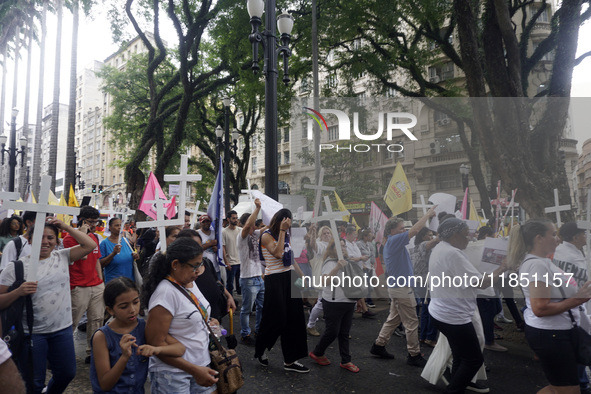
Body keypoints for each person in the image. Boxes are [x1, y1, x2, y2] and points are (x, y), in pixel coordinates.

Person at [0, 218, 96, 393]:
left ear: (57, 241)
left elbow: (89, 245)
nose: (45, 242)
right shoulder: (16, 267)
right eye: (39, 237)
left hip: (63, 330)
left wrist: (66, 226)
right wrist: (18, 292)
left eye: (50, 238)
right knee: (34, 382)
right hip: (32, 334)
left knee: (66, 373)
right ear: (29, 240)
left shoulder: (63, 256)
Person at [507, 219, 591, 394]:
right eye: (553, 234)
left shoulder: (541, 261)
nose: (558, 239)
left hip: (557, 332)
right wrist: (578, 299)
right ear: (539, 238)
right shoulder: (537, 265)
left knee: (561, 388)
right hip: (552, 335)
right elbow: (540, 308)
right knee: (567, 390)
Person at [429, 218, 506, 394]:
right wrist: (502, 267)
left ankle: (456, 385)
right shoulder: (453, 254)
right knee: (473, 359)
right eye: (466, 236)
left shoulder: (441, 248)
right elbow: (481, 283)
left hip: (441, 312)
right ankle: (455, 389)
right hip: (454, 317)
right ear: (455, 235)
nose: (469, 239)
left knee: (459, 355)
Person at [143, 237, 219, 392]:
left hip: (201, 365)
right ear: (176, 265)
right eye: (194, 266)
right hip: (173, 375)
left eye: (201, 264)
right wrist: (194, 370)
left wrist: (208, 321)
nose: (199, 270)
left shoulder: (189, 281)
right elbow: (155, 343)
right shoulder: (165, 294)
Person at [91, 277, 185, 393]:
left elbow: (180, 349)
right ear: (110, 310)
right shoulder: (102, 337)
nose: (132, 310)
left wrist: (156, 349)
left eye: (136, 302)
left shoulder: (144, 327)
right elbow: (105, 384)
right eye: (124, 306)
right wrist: (124, 357)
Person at [370, 207, 436, 366]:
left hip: (399, 288)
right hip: (401, 289)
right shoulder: (394, 240)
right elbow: (414, 230)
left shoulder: (392, 241)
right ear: (392, 230)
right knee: (412, 322)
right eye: (401, 228)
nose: (404, 230)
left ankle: (378, 345)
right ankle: (414, 355)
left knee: (393, 320)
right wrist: (427, 214)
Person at [254, 208, 309, 373]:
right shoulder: (266, 235)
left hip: (289, 277)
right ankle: (262, 348)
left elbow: (290, 258)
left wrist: (302, 277)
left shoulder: (286, 235)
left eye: (289, 220)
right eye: (285, 220)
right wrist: (283, 231)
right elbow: (278, 253)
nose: (287, 223)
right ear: (278, 220)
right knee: (277, 318)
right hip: (274, 279)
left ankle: (291, 361)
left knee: (295, 319)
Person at [309, 238, 359, 373]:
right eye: (339, 246)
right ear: (331, 249)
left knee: (344, 333)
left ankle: (346, 360)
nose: (343, 248)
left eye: (344, 246)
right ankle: (317, 352)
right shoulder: (330, 263)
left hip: (349, 301)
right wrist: (337, 267)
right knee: (332, 331)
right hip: (333, 302)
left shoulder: (349, 262)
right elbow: (325, 281)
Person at [553, 222, 591, 394]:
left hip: (569, 306)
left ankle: (580, 381)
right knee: (579, 346)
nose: (586, 236)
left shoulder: (561, 251)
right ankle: (581, 384)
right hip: (572, 307)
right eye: (583, 234)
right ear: (575, 237)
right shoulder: (569, 256)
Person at [65, 206, 104, 364]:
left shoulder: (95, 238)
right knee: (73, 320)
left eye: (96, 222)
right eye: (90, 222)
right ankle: (63, 351)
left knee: (96, 319)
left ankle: (92, 352)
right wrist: (83, 234)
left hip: (96, 285)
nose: (94, 225)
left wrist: (101, 282)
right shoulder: (69, 239)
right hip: (79, 286)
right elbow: (80, 258)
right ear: (81, 221)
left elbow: (97, 262)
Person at [176, 229, 236, 323]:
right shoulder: (179, 278)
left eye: (199, 246)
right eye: (192, 247)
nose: (198, 251)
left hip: (214, 322)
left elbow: (217, 282)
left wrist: (228, 296)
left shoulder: (207, 263)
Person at [236, 199, 266, 345]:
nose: (254, 226)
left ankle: (259, 330)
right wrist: (257, 207)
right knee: (246, 309)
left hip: (259, 278)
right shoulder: (241, 236)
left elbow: (269, 227)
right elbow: (248, 225)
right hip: (248, 279)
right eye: (252, 223)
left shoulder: (256, 234)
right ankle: (245, 333)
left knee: (262, 307)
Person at [412, 226, 439, 347]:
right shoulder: (423, 245)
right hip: (425, 282)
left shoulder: (414, 248)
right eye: (429, 235)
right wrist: (444, 233)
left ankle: (423, 336)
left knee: (426, 309)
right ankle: (430, 337)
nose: (431, 237)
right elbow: (434, 241)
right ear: (423, 237)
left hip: (419, 282)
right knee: (433, 309)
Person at [306, 225, 333, 336]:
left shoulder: (334, 244)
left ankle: (333, 328)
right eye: (324, 233)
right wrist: (313, 232)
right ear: (320, 236)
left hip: (335, 278)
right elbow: (313, 245)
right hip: (324, 277)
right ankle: (310, 325)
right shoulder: (321, 245)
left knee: (333, 304)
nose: (327, 235)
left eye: (328, 233)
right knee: (321, 303)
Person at [343, 225, 374, 318]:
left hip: (358, 268)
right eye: (353, 234)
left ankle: (362, 309)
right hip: (352, 269)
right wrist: (361, 258)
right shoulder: (346, 244)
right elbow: (349, 258)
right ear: (348, 234)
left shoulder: (353, 243)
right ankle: (363, 309)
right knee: (358, 289)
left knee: (359, 289)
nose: (355, 236)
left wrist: (362, 263)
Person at [100, 218, 139, 284]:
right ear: (110, 227)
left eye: (121, 225)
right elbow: (100, 264)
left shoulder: (126, 240)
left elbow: (131, 256)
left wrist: (135, 256)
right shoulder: (104, 243)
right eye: (116, 225)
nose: (119, 227)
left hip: (129, 282)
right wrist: (113, 254)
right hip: (114, 283)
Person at [222, 210, 242, 295]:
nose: (236, 220)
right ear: (228, 219)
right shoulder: (224, 232)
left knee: (241, 284)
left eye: (237, 218)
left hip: (241, 262)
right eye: (233, 218)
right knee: (230, 284)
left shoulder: (241, 230)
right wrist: (226, 262)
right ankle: (230, 302)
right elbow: (223, 247)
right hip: (231, 263)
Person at [357, 228, 376, 308]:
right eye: (368, 236)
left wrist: (370, 263)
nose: (369, 237)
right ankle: (368, 300)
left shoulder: (368, 244)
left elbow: (371, 254)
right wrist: (362, 264)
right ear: (364, 236)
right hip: (362, 267)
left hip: (368, 267)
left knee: (368, 284)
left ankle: (366, 300)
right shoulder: (358, 244)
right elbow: (357, 255)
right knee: (367, 284)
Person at [197, 215, 220, 280]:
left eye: (208, 221)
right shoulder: (197, 233)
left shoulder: (214, 232)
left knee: (218, 286)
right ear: (200, 223)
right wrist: (211, 244)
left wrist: (217, 248)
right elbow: (197, 249)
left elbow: (220, 246)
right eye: (204, 222)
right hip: (204, 267)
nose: (206, 223)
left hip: (215, 266)